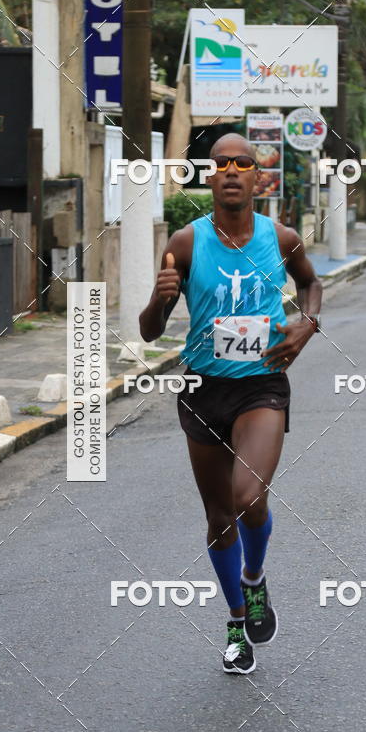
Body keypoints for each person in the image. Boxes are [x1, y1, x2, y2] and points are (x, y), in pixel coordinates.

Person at [139, 133, 322, 675]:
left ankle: (255, 574)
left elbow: (311, 286)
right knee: (219, 518)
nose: (233, 171)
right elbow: (149, 333)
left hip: (260, 384)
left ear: (257, 176)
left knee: (249, 498)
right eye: (221, 164)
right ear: (210, 177)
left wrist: (305, 325)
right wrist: (161, 297)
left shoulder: (281, 237)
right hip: (201, 390)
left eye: (244, 162)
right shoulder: (187, 242)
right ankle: (238, 624)